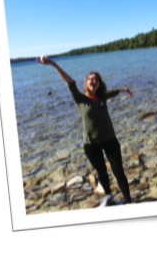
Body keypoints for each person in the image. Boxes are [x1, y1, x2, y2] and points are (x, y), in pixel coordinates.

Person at [37, 56, 133, 207]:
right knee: (102, 173)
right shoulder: (80, 98)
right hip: (91, 145)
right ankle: (109, 198)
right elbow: (70, 82)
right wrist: (54, 65)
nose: (94, 81)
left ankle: (129, 202)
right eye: (91, 79)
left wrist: (125, 89)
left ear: (99, 84)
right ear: (86, 83)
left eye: (96, 79)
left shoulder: (102, 96)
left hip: (110, 141)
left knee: (118, 172)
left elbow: (113, 92)